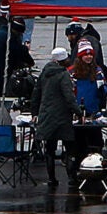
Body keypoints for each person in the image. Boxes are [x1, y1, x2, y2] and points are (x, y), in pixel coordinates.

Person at [33, 48, 83, 191]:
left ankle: (51, 179)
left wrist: (35, 112)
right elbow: (69, 97)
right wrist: (78, 112)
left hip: (46, 115)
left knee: (50, 148)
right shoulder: (63, 75)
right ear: (63, 60)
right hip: (62, 117)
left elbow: (36, 93)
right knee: (70, 148)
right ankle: (72, 177)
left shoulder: (44, 73)